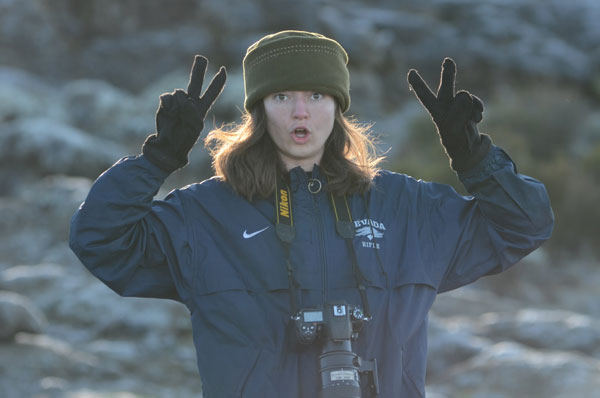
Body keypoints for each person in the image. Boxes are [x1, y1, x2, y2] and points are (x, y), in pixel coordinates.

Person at [69, 30, 554, 397]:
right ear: (259, 110)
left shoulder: (406, 209)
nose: (301, 112)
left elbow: (524, 222)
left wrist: (473, 157)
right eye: (282, 96)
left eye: (317, 96)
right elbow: (99, 240)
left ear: (338, 108)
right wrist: (158, 158)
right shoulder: (205, 215)